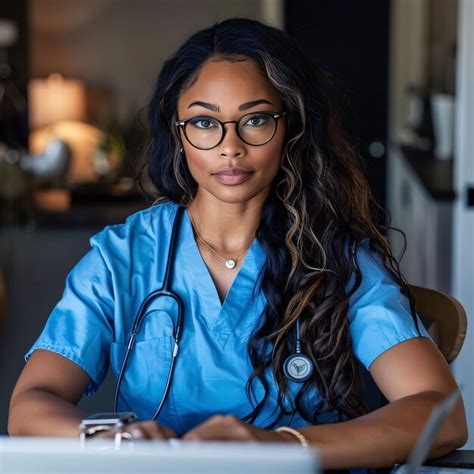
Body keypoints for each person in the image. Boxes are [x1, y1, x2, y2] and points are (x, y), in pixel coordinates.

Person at [8, 18, 467, 470]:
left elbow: (440, 414)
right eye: (206, 123)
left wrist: (280, 445)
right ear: (178, 133)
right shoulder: (122, 258)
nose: (231, 147)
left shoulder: (336, 258)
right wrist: (114, 441)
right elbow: (32, 403)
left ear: (291, 128)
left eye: (256, 119)